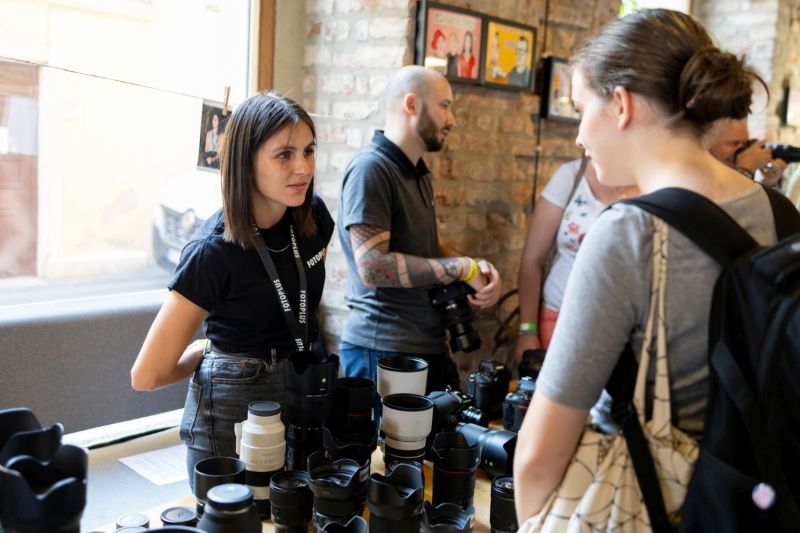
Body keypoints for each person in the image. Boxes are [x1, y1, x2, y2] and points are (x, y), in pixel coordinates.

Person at [513, 8, 776, 524]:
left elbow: (538, 460)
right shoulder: (780, 213)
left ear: (621, 105)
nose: (578, 136)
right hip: (759, 504)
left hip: (660, 508)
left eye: (582, 109)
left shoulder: (628, 235)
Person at [131, 93, 334, 478]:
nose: (303, 168)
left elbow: (298, 298)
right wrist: (200, 353)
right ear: (246, 161)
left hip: (297, 388)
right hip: (231, 405)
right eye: (284, 155)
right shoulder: (213, 252)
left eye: (308, 151)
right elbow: (146, 375)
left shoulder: (314, 217)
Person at [336, 65, 502, 393]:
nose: (452, 120)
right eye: (445, 106)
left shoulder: (417, 172)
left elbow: (427, 246)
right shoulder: (371, 169)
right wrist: (460, 268)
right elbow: (373, 267)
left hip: (427, 344)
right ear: (411, 105)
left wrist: (474, 265)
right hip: (382, 349)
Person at [514, 156, 637, 359]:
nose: (580, 143)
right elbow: (532, 261)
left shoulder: (649, 183)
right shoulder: (571, 176)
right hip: (557, 320)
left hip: (622, 329)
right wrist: (528, 331)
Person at [707, 117, 787, 187]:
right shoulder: (704, 178)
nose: (743, 151)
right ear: (709, 144)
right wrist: (745, 170)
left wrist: (767, 183)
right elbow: (728, 197)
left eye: (745, 144)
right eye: (734, 143)